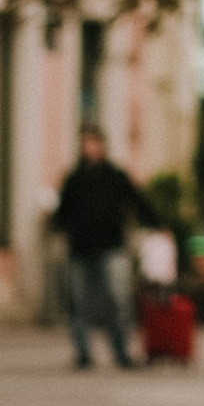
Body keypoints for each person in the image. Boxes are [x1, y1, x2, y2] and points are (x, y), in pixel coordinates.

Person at [52, 124, 153, 373]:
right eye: (85, 143)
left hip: (111, 247)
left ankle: (121, 351)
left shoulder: (115, 177)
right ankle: (83, 353)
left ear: (102, 145)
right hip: (81, 249)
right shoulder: (75, 179)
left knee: (117, 301)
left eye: (93, 142)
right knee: (80, 303)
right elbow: (63, 212)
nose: (89, 148)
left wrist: (157, 224)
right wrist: (59, 225)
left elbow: (137, 201)